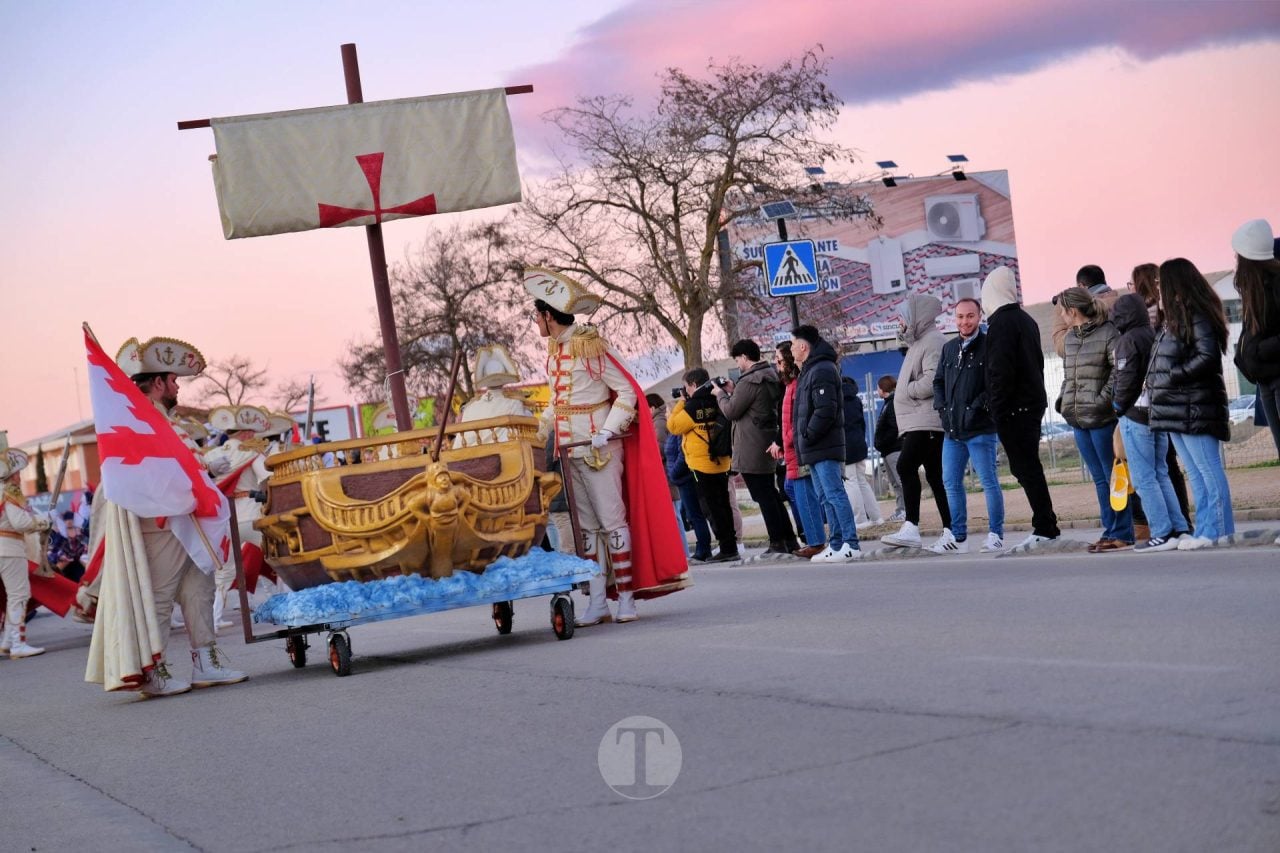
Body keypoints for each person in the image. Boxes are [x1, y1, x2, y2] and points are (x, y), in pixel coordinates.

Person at [526, 269, 689, 626]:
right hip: (568, 451)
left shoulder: (589, 344)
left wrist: (608, 429)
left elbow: (628, 390)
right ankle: (598, 601)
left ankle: (627, 598)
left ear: (548, 315)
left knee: (613, 522)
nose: (535, 322)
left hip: (599, 447)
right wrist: (537, 432)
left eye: (536, 315)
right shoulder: (555, 353)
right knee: (587, 531)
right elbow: (557, 403)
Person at [87, 336, 247, 697]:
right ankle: (151, 670)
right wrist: (207, 462)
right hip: (160, 521)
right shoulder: (143, 419)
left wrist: (205, 463)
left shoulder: (156, 418)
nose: (177, 387)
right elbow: (162, 466)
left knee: (199, 584)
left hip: (181, 517)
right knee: (158, 594)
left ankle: (205, 661)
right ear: (158, 383)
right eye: (173, 380)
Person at [1147, 258, 1235, 550]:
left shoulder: (1196, 314)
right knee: (1196, 474)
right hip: (1176, 408)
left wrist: (1174, 375)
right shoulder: (1171, 318)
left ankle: (1218, 531)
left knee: (1208, 470)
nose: (1157, 288)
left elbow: (1207, 356)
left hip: (1195, 406)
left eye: (1161, 282)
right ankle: (1206, 530)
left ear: (1175, 283)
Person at [982, 266, 1062, 548]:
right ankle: (1046, 522)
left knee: (1026, 467)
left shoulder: (1001, 325)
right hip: (1031, 402)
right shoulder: (1026, 320)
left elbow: (1000, 371)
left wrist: (997, 408)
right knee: (1028, 466)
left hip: (1014, 407)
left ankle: (1045, 525)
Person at [1110, 293, 1190, 552]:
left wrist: (1117, 406)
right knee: (1161, 473)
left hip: (1135, 415)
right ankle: (1179, 528)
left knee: (1144, 478)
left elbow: (1125, 380)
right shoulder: (1153, 334)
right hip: (1157, 414)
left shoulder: (1127, 341)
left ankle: (1161, 532)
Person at [1057, 286, 1133, 551]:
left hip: (1101, 418)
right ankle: (1109, 529)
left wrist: (1103, 400)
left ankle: (1123, 531)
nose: (1061, 316)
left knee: (1114, 477)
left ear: (1072, 311)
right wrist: (1063, 400)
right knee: (1099, 479)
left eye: (1062, 311)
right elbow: (1070, 376)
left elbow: (1118, 371)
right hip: (1078, 419)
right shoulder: (1069, 338)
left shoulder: (1107, 333)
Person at [932, 297, 1004, 554]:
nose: (965, 321)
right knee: (950, 482)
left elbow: (994, 385)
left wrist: (976, 409)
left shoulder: (989, 346)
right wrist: (941, 408)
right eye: (960, 316)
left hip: (980, 429)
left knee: (988, 481)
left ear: (980, 316)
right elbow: (938, 381)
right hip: (952, 431)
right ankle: (957, 535)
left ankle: (996, 534)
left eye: (970, 316)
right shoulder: (949, 348)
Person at [715, 339, 800, 555]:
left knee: (763, 495)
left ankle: (777, 542)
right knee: (770, 493)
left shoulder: (749, 381)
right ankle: (789, 539)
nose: (738, 363)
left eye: (737, 359)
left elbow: (732, 411)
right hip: (765, 438)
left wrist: (721, 395)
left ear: (744, 357)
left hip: (751, 443)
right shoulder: (769, 375)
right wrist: (735, 390)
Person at [881, 296, 951, 550]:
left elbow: (934, 379)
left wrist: (907, 390)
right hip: (920, 420)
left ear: (917, 317)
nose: (899, 322)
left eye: (903, 317)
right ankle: (951, 529)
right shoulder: (920, 342)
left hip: (926, 420)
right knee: (935, 476)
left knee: (905, 465)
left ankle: (911, 526)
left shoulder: (933, 341)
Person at [203, 404, 280, 629]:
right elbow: (267, 479)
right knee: (276, 556)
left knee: (225, 571)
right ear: (245, 433)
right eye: (251, 433)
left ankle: (214, 620)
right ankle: (280, 600)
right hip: (250, 513)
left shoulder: (213, 454)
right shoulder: (249, 452)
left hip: (224, 519)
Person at [790, 325, 861, 561]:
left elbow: (826, 410)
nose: (791, 350)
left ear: (802, 346)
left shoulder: (822, 369)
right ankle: (837, 543)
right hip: (814, 447)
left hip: (823, 445)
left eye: (792, 345)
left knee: (834, 494)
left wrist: (808, 434)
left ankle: (851, 544)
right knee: (824, 497)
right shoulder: (809, 370)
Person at [1129, 264, 1193, 522]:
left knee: (1156, 467)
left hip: (1149, 395)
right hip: (1165, 392)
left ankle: (1165, 522)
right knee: (1169, 464)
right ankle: (1181, 518)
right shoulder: (1166, 313)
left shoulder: (1142, 315)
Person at [668, 368, 739, 562]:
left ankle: (727, 548)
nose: (685, 391)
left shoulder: (692, 405)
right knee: (724, 505)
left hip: (702, 463)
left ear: (692, 384)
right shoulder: (717, 397)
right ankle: (730, 546)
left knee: (712, 508)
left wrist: (681, 402)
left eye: (686, 387)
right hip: (722, 460)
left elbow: (673, 427)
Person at [1230, 218, 1280, 459]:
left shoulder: (1276, 284)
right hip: (1264, 379)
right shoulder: (1253, 289)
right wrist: (1245, 356)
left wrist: (1259, 351)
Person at [770, 343, 825, 557]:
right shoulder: (789, 385)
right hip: (792, 448)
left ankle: (816, 541)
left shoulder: (798, 384)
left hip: (798, 448)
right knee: (793, 489)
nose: (777, 365)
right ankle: (813, 537)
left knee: (802, 492)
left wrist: (788, 440)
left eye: (780, 360)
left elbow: (799, 418)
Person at [0, 435, 50, 658]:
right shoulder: (10, 491)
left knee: (13, 595)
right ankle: (18, 643)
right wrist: (43, 522)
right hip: (9, 548)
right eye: (19, 472)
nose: (20, 476)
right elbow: (20, 522)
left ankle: (8, 641)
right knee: (19, 594)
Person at [454, 345, 533, 447]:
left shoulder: (469, 408)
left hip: (472, 460)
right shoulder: (514, 404)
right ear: (504, 378)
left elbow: (458, 445)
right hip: (508, 459)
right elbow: (522, 437)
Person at [1052, 264, 1129, 357]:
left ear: (1080, 286)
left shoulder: (1081, 310)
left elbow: (1062, 349)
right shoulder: (1123, 303)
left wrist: (1062, 304)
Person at [664, 424, 713, 561]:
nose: (667, 414)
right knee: (692, 516)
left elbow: (682, 454)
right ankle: (702, 547)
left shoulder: (680, 430)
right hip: (681, 479)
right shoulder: (674, 431)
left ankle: (704, 549)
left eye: (669, 411)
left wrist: (674, 473)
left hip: (686, 478)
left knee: (695, 515)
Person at [841, 376, 884, 529]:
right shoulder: (856, 400)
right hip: (859, 444)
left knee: (851, 482)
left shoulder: (838, 401)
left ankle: (859, 520)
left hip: (846, 446)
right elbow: (862, 424)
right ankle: (876, 517)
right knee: (862, 481)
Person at [873, 375, 906, 523]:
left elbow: (895, 428)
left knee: (901, 481)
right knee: (895, 483)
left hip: (894, 449)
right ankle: (900, 510)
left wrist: (883, 442)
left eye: (878, 387)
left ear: (883, 388)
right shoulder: (887, 403)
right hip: (887, 451)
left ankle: (907, 511)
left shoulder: (892, 404)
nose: (876, 390)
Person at [47, 510, 88, 583]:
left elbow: (85, 542)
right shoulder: (61, 534)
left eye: (70, 519)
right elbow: (56, 547)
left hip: (80, 554)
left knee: (87, 563)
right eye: (67, 520)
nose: (69, 522)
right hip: (66, 555)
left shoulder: (79, 531)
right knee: (60, 565)